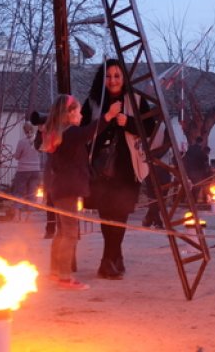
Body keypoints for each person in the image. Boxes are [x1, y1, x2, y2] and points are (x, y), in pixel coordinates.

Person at [42, 93, 122, 291]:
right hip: (68, 189)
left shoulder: (61, 134)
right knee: (70, 233)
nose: (81, 115)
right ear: (69, 113)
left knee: (62, 232)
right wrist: (109, 116)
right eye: (78, 111)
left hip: (60, 188)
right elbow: (90, 132)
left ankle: (55, 272)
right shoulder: (70, 133)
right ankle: (65, 277)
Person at [82, 59, 153, 280]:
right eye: (108, 76)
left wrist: (129, 122)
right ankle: (111, 259)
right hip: (100, 170)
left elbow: (149, 128)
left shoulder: (136, 100)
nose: (112, 80)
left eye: (117, 76)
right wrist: (107, 119)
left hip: (126, 168)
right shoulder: (93, 103)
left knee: (120, 216)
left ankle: (110, 259)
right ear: (102, 78)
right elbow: (83, 132)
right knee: (106, 217)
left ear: (124, 78)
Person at [11, 123, 42, 216]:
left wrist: (14, 155)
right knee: (31, 193)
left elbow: (17, 156)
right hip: (35, 170)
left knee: (19, 192)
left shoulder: (22, 142)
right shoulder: (38, 141)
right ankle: (29, 218)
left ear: (24, 131)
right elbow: (41, 151)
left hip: (23, 170)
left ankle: (17, 216)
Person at [184, 137, 210, 204]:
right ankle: (194, 201)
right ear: (201, 142)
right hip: (198, 172)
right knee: (197, 186)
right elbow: (204, 160)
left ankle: (190, 200)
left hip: (190, 171)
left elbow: (186, 158)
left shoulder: (190, 149)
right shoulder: (200, 151)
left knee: (191, 186)